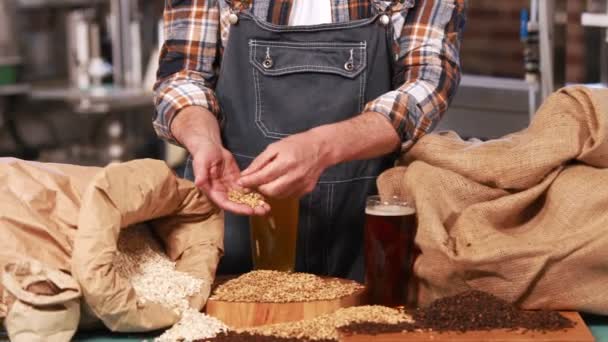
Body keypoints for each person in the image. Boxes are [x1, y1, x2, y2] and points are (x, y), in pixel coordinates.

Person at [153, 0, 466, 281]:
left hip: (360, 230)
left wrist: (323, 147)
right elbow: (183, 76)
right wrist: (204, 141)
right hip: (227, 227)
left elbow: (427, 84)